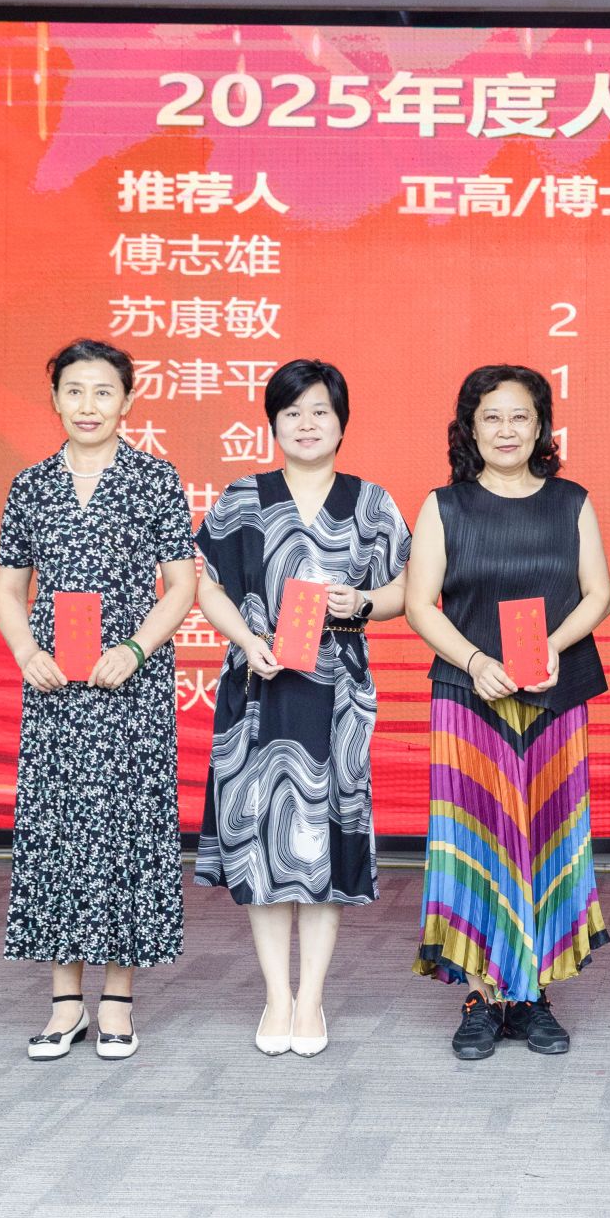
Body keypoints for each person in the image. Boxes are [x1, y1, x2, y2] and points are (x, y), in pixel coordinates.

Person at [193, 360, 411, 1059]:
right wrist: (244, 638)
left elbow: (406, 589)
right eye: (292, 412)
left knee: (322, 843)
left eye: (320, 411)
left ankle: (310, 997)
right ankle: (275, 996)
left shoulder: (370, 502)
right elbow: (207, 585)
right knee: (261, 844)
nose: (307, 424)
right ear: (273, 423)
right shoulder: (241, 497)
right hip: (257, 689)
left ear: (342, 422)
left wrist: (364, 601)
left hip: (336, 693)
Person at [0, 338, 198, 1061]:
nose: (88, 405)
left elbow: (182, 585)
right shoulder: (31, 485)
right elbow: (8, 588)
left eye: (103, 391)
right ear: (54, 399)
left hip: (129, 684)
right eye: (74, 390)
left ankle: (118, 998)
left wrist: (135, 649)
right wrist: (28, 653)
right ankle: (63, 1001)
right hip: (55, 685)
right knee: (57, 831)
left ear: (128, 400)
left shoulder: (154, 479)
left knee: (125, 829)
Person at [404, 365, 610, 1061]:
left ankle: (532, 994)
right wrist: (473, 661)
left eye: (520, 416)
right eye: (491, 416)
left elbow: (599, 594)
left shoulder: (571, 502)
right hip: (470, 697)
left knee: (549, 837)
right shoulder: (444, 506)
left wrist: (552, 646)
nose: (506, 430)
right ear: (470, 427)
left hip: (555, 691)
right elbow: (419, 603)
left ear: (541, 426)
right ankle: (483, 995)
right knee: (475, 842)